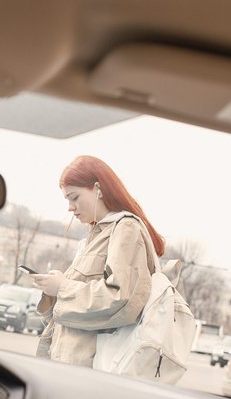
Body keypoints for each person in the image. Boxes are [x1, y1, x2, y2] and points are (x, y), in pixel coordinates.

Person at [31, 155, 165, 367]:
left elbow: (121, 301)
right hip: (72, 366)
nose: (70, 207)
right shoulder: (96, 235)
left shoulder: (125, 228)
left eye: (74, 197)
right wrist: (54, 290)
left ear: (98, 188)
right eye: (67, 200)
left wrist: (63, 288)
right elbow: (76, 318)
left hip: (92, 372)